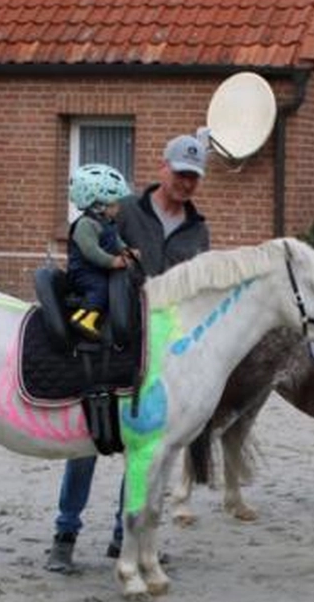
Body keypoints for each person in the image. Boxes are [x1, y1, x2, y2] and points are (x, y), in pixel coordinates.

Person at [45, 133, 211, 572]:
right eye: (181, 173)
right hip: (110, 338)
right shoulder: (125, 209)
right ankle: (65, 535)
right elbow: (90, 246)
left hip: (162, 347)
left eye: (194, 176)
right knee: (88, 437)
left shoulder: (198, 230)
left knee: (143, 447)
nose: (187, 182)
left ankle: (124, 536)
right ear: (163, 168)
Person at [65, 163, 135, 339]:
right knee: (100, 287)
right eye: (114, 204)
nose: (118, 208)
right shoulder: (86, 225)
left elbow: (117, 242)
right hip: (83, 273)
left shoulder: (108, 224)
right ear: (99, 205)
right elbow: (91, 251)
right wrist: (113, 262)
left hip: (99, 270)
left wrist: (127, 251)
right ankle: (83, 318)